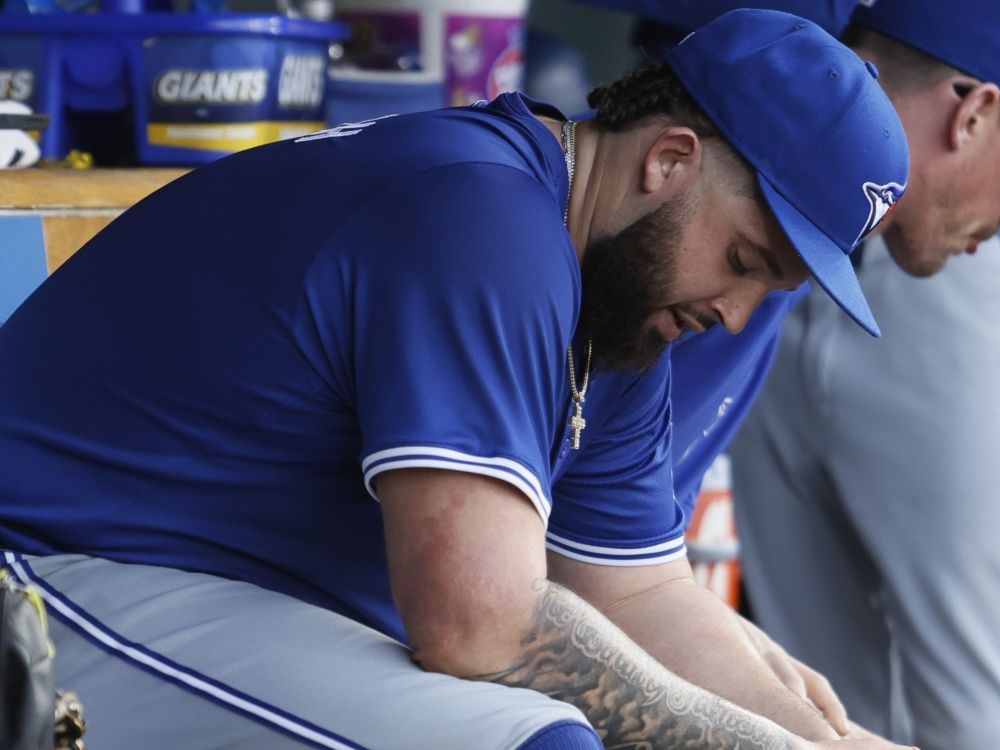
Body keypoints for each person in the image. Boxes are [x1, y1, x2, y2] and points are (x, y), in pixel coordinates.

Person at [0, 10, 913, 749]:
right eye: (747, 259)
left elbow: (639, 595)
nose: (738, 314)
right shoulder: (478, 214)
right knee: (530, 743)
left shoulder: (617, 302)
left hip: (206, 601)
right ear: (669, 161)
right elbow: (480, 626)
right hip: (49, 581)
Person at [726, 2, 1000, 747]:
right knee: (811, 697)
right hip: (790, 193)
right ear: (976, 115)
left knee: (974, 700)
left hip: (936, 292)